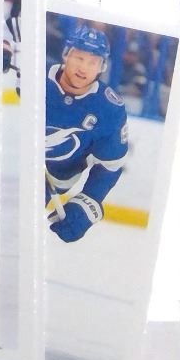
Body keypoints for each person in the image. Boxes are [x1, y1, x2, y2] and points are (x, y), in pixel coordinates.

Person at [43, 21, 129, 242]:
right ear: (66, 54)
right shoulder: (35, 75)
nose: (83, 68)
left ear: (102, 67)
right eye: (79, 58)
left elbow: (110, 166)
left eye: (93, 62)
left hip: (50, 181)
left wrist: (87, 202)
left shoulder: (109, 109)